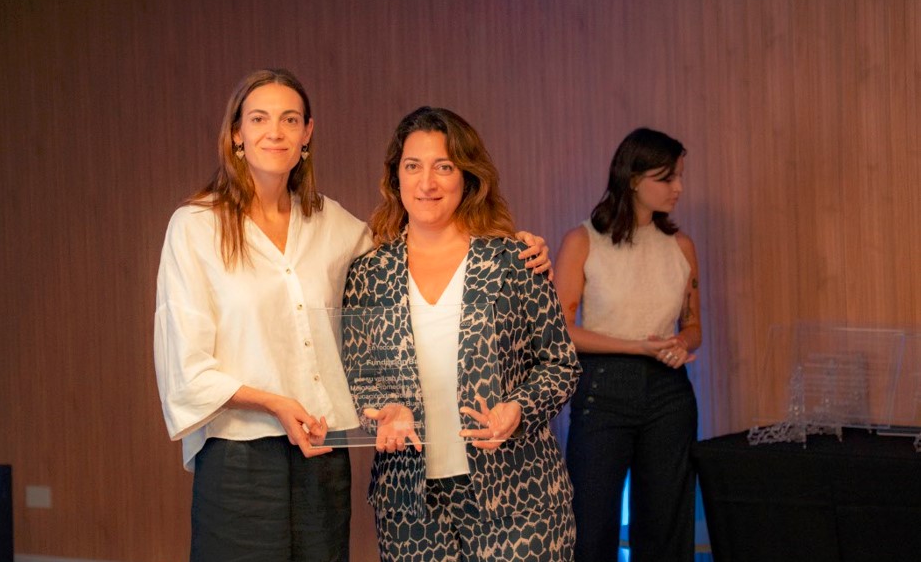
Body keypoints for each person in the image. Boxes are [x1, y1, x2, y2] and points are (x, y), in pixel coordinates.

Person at [153, 70, 553, 561]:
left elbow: (412, 251)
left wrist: (513, 246)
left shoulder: (331, 223)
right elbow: (185, 364)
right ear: (236, 133)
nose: (275, 132)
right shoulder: (196, 225)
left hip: (323, 453)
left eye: (289, 119)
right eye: (258, 119)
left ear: (307, 134)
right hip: (239, 453)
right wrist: (274, 403)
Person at [340, 106, 580, 561]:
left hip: (519, 499)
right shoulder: (369, 274)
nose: (426, 183)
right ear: (396, 177)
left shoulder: (515, 261)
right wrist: (381, 412)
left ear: (467, 177)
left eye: (444, 167)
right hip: (409, 506)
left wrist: (519, 408)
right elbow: (358, 377)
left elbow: (561, 364)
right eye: (413, 166)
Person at [553, 127, 702, 562]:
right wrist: (639, 347)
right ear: (634, 179)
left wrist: (680, 343)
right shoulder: (582, 241)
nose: (679, 187)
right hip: (603, 390)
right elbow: (561, 331)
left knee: (666, 526)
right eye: (667, 178)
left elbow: (694, 326)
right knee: (590, 526)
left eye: (680, 176)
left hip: (670, 391)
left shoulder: (681, 246)